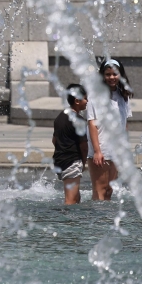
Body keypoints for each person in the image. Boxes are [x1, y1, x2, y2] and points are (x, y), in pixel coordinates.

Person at [85, 58, 133, 201]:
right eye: (108, 74)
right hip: (101, 148)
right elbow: (92, 124)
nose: (112, 77)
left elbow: (124, 124)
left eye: (115, 74)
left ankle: (107, 221)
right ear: (103, 76)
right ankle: (97, 222)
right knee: (100, 189)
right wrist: (97, 151)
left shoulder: (124, 96)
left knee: (109, 190)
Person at [52, 84, 89, 204]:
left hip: (59, 161)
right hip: (72, 161)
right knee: (71, 200)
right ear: (77, 101)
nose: (87, 101)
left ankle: (76, 221)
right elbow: (84, 146)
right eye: (85, 98)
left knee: (77, 198)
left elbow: (54, 140)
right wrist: (83, 163)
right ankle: (65, 222)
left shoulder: (59, 117)